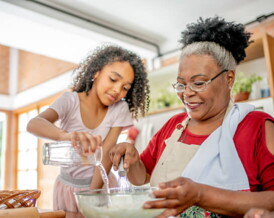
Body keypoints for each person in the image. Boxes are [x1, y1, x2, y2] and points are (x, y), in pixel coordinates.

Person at [110, 16, 274, 217]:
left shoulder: (257, 126)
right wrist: (133, 160)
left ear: (228, 78)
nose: (187, 93)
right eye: (181, 84)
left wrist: (201, 194)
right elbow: (143, 176)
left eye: (198, 83)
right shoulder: (173, 126)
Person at [27, 44, 150, 212]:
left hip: (100, 186)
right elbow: (33, 124)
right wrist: (66, 136)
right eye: (113, 79)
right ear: (96, 73)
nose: (117, 90)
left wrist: (92, 197)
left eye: (125, 88)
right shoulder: (70, 101)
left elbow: (106, 155)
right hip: (67, 188)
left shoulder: (119, 109)